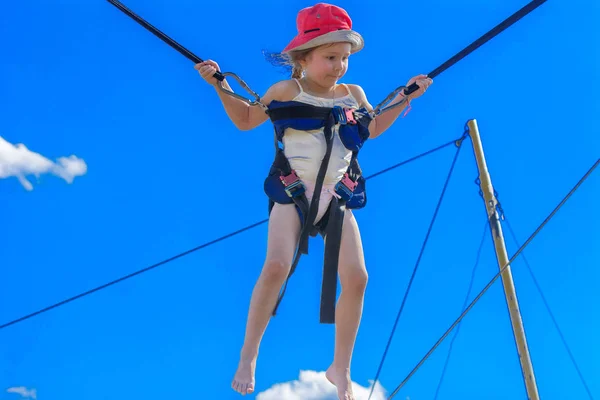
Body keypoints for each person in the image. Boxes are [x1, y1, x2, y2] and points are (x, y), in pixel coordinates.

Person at [195, 3, 432, 399]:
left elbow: (372, 128)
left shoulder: (352, 93)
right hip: (293, 194)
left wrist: (408, 95)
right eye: (330, 57)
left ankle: (340, 367)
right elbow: (246, 120)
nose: (339, 66)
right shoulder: (287, 90)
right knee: (275, 267)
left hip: (336, 197)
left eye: (344, 58)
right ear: (303, 58)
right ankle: (249, 354)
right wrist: (219, 85)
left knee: (358, 279)